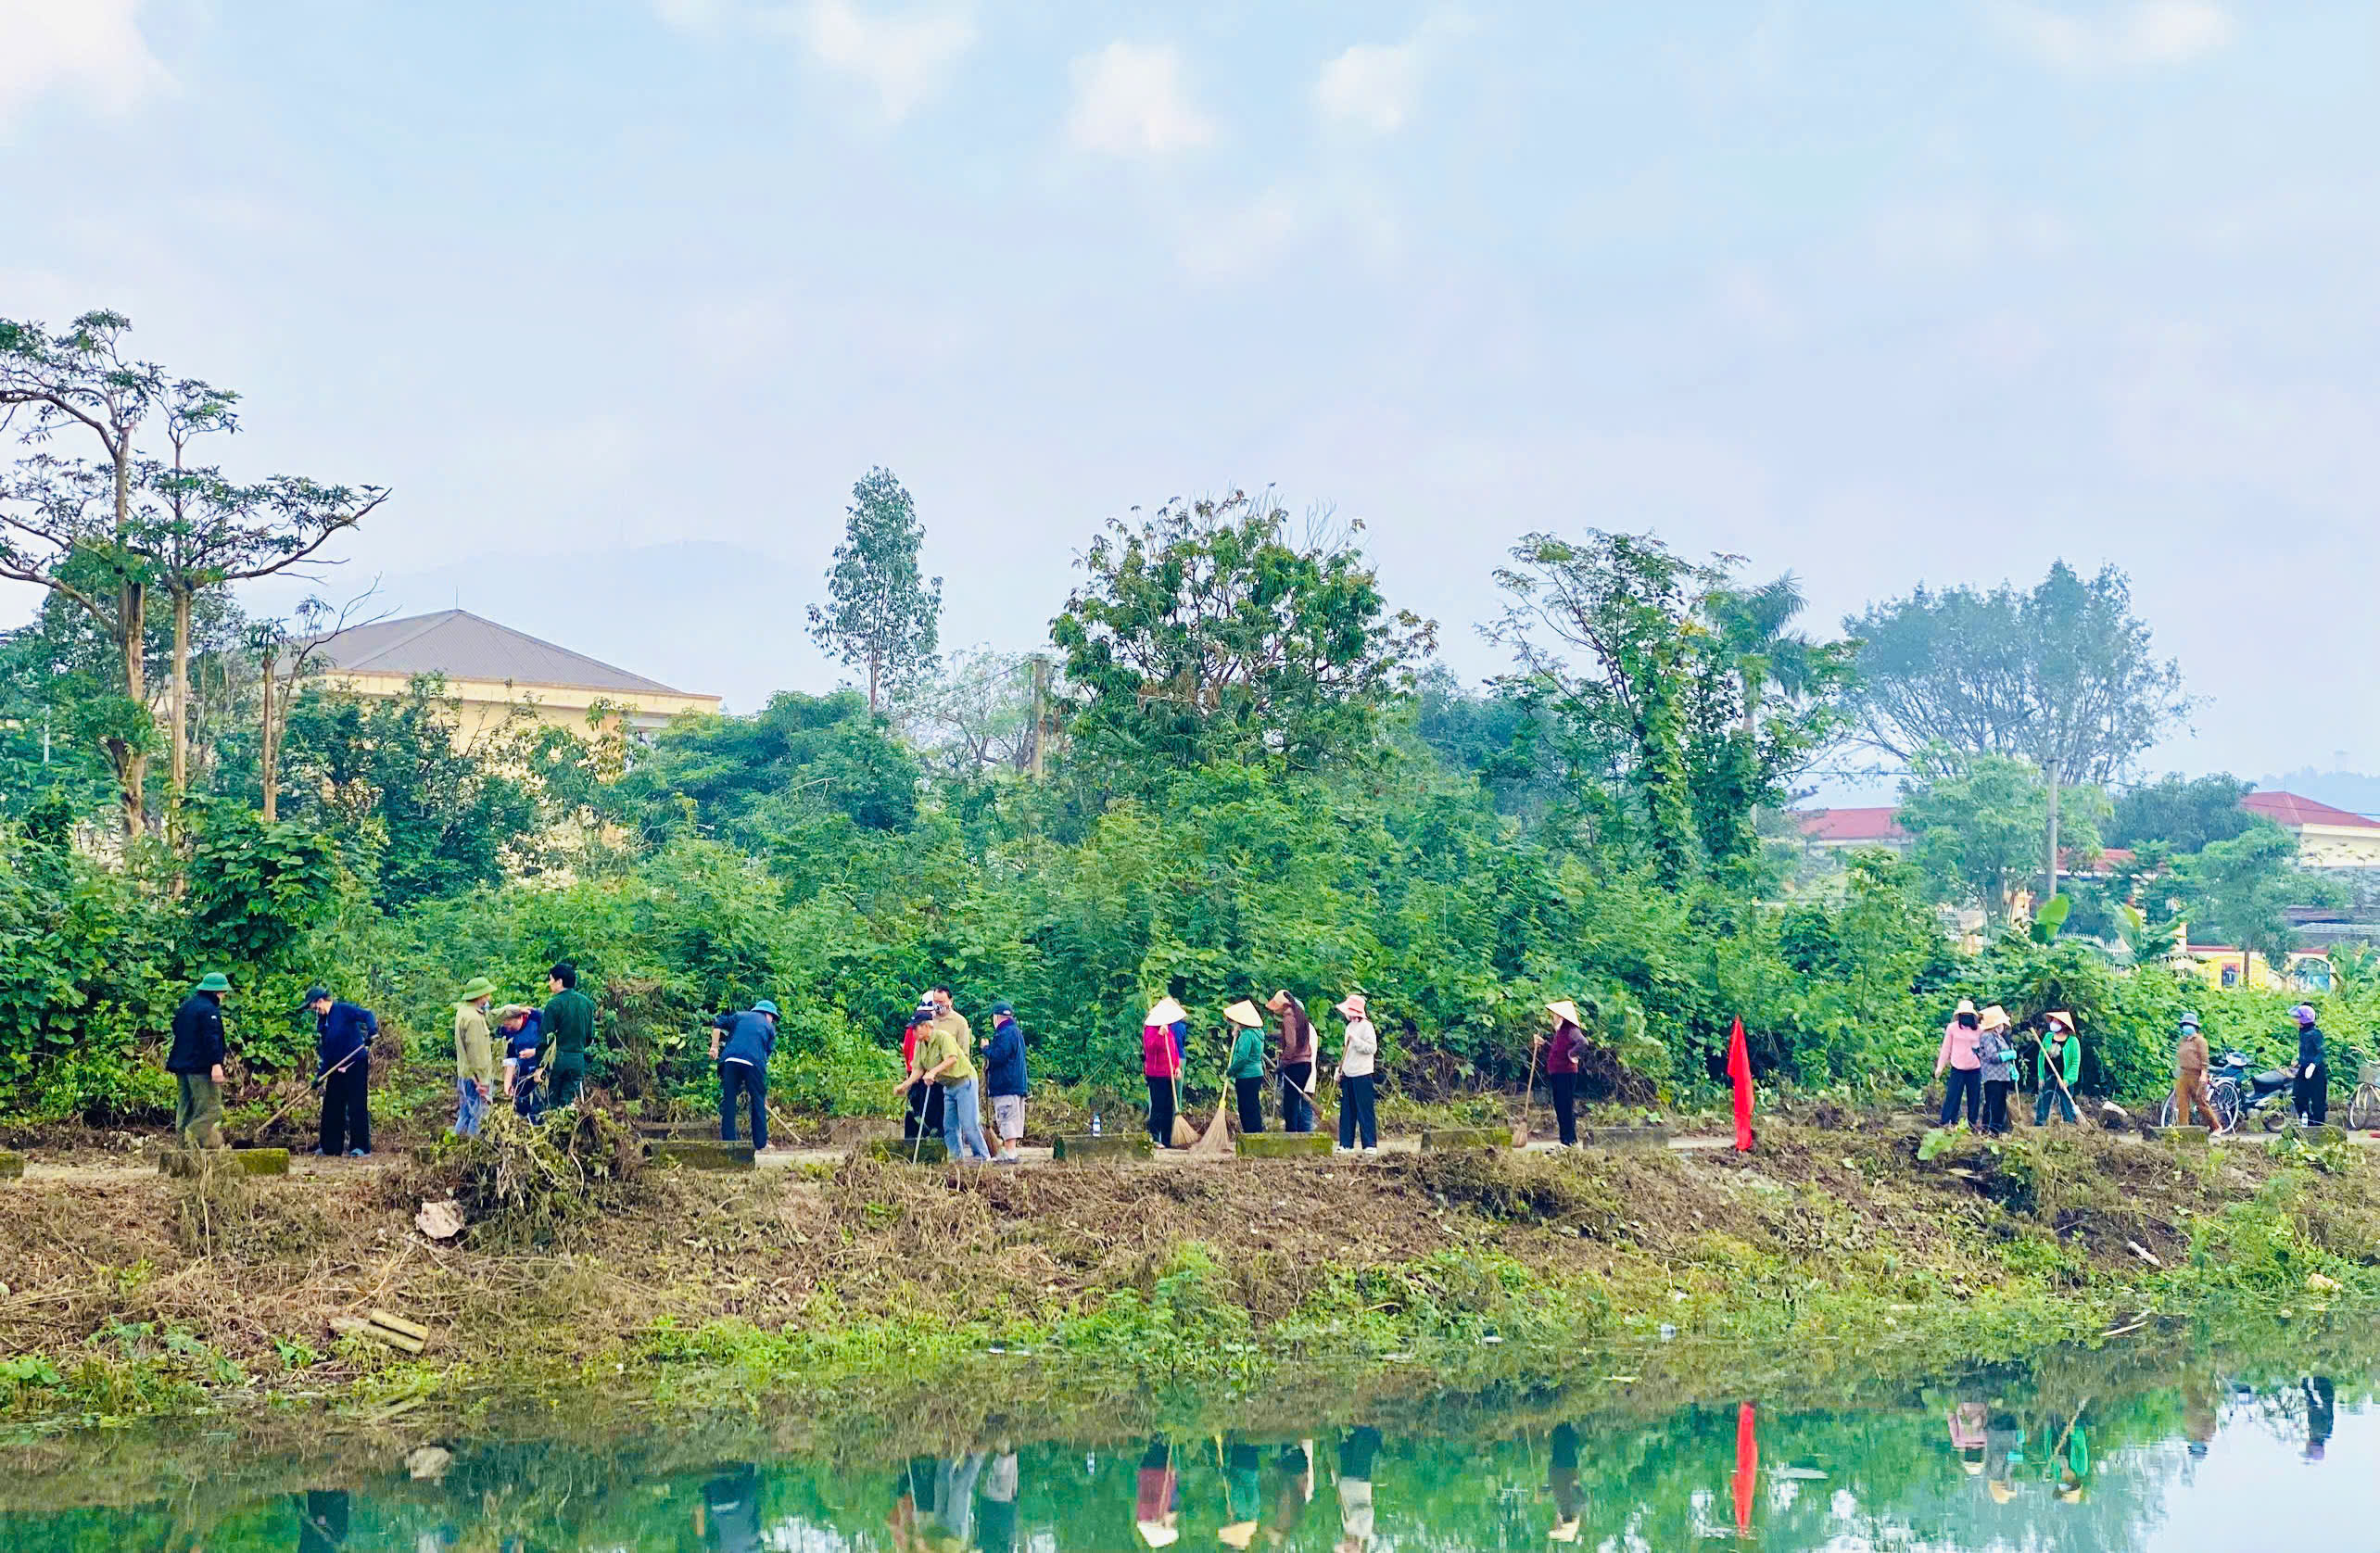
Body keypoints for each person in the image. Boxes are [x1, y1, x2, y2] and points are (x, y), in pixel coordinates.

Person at [901, 991, 991, 1164]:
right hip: (948, 1086)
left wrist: (933, 1072)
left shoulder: (944, 1037)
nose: (913, 1032)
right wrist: (905, 1085)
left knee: (969, 1124)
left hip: (964, 1081)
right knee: (949, 1126)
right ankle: (956, 1159)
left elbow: (952, 1058)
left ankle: (983, 1157)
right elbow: (918, 1069)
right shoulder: (921, 1044)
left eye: (916, 1027)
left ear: (927, 1026)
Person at [307, 985, 379, 1158]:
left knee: (356, 1104)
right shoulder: (323, 1023)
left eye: (315, 1006)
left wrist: (372, 1032)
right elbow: (327, 1052)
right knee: (332, 1105)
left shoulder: (343, 1010)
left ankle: (360, 1147)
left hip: (355, 1063)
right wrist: (319, 1077)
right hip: (335, 1067)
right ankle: (330, 1147)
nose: (315, 1010)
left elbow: (367, 1015)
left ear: (321, 1001)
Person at [166, 971, 233, 1150]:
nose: (224, 996)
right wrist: (216, 1064)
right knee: (212, 1110)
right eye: (223, 992)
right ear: (217, 992)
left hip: (182, 1066)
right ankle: (192, 1136)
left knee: (185, 1110)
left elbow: (176, 1028)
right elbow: (211, 1038)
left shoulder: (187, 1006)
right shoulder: (209, 1010)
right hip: (201, 1068)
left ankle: (183, 1152)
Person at [711, 1000, 779, 1150]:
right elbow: (764, 1058)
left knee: (729, 1101)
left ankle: (729, 1143)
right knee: (757, 1102)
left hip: (730, 1061)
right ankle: (761, 1144)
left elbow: (717, 1023)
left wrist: (714, 1047)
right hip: (753, 1063)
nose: (772, 1020)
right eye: (773, 1017)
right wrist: (760, 1093)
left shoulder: (739, 1016)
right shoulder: (769, 1028)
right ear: (768, 1014)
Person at [540, 962, 596, 1110]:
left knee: (551, 1103)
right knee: (568, 1105)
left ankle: (551, 1132)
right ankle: (568, 1132)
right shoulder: (587, 1003)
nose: (549, 983)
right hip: (577, 1059)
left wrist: (540, 1066)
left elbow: (546, 1038)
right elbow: (590, 1036)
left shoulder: (554, 1004)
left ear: (559, 981)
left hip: (556, 1059)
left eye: (551, 979)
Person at [981, 1000, 1028, 1163]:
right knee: (1014, 1118)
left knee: (1006, 1116)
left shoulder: (1004, 1033)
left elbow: (999, 1056)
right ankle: (1012, 1151)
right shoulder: (1015, 1032)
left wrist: (986, 1049)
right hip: (1016, 1083)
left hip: (1005, 1085)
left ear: (996, 1017)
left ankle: (1009, 1152)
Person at [1334, 993, 1380, 1155]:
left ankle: (1370, 1144)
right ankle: (1346, 1143)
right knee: (1347, 1110)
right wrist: (1339, 1071)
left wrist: (1357, 1042)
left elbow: (1372, 1048)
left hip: (1363, 1073)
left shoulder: (1367, 1026)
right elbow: (1346, 1053)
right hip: (1349, 1073)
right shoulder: (1349, 1027)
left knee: (1364, 1109)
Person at [452, 976, 499, 1139]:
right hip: (475, 1078)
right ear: (480, 996)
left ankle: (454, 1148)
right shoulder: (474, 1019)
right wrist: (482, 1082)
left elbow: (492, 1017)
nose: (489, 998)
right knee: (479, 1117)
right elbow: (477, 1054)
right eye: (487, 995)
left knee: (465, 1115)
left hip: (464, 1074)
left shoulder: (464, 1011)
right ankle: (472, 1151)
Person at [1269, 991, 1318, 1133]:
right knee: (1295, 1102)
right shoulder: (1301, 1017)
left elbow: (1291, 1044)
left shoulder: (1288, 1017)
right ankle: (1296, 1135)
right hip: (1305, 1064)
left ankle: (1291, 1137)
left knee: (1290, 1105)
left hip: (1295, 1064)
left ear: (1283, 1005)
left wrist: (1283, 1063)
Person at [1544, 1001, 1588, 1148]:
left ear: (1562, 1016)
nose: (1553, 1017)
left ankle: (1569, 1139)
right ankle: (1565, 1139)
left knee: (1565, 1105)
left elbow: (1583, 1042)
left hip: (1566, 1072)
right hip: (1558, 1072)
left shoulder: (1571, 1029)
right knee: (1560, 1105)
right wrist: (1543, 1043)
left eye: (1555, 1015)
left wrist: (1571, 1054)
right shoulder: (1561, 1030)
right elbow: (1558, 1050)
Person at [1143, 997, 1186, 1147]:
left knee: (1169, 1107)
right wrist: (1160, 1034)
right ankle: (1155, 1137)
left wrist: (1177, 1067)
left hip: (1169, 1074)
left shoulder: (1170, 1031)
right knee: (1158, 1106)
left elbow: (1173, 1051)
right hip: (1156, 1074)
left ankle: (1167, 1139)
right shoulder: (1150, 1030)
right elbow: (1149, 1048)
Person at [901, 999, 944, 1143]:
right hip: (920, 1076)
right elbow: (909, 1053)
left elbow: (907, 1052)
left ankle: (924, 1143)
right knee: (917, 1114)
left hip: (926, 1076)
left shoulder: (934, 1033)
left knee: (922, 1113)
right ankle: (917, 1143)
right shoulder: (918, 1027)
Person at [1935, 998, 1982, 1129]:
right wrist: (1940, 1066)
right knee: (1953, 1095)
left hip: (1974, 1068)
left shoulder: (1979, 1030)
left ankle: (1972, 1123)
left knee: (1974, 1097)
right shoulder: (1952, 1028)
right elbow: (1946, 1048)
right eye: (1963, 1015)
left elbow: (1984, 1049)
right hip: (1957, 1067)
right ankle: (1947, 1121)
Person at [1335, 1426, 1381, 1553]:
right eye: (1348, 1550)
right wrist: (1352, 1519)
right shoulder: (1364, 1531)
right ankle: (1370, 1424)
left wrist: (1338, 1487)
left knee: (1347, 1444)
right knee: (1363, 1440)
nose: (1345, 1544)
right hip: (1360, 1480)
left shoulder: (1347, 1528)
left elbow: (1345, 1505)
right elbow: (1368, 1511)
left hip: (1346, 1480)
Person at [2173, 1010, 2221, 1132]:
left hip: (2197, 1075)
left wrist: (2204, 1074)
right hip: (2184, 1075)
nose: (2186, 1027)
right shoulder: (2182, 1041)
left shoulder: (2200, 1041)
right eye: (2184, 1025)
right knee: (2182, 1103)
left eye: (2189, 1024)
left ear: (2195, 1027)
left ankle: (2216, 1127)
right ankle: (2183, 1131)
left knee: (2201, 1104)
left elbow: (2204, 1059)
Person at [1224, 1000, 1267, 1134]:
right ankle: (1256, 1133)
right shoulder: (1257, 1033)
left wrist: (1231, 1071)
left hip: (1246, 1075)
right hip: (1256, 1073)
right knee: (1253, 1106)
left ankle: (1251, 1134)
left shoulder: (1247, 1035)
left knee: (1246, 1107)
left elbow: (1242, 1058)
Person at [1975, 1005, 2018, 1136]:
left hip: (2002, 1076)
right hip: (1992, 1076)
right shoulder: (1987, 1036)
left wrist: (2012, 1068)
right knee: (1992, 1103)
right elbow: (1992, 1056)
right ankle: (1988, 1129)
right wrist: (2008, 1055)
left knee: (2000, 1104)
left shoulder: (1999, 1037)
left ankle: (1996, 1130)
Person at [2033, 1012, 2082, 1126]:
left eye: (2056, 1021)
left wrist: (2067, 1080)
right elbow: (2041, 1057)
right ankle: (2040, 1124)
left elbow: (2075, 1063)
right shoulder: (2048, 1037)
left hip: (2064, 1079)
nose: (2053, 1023)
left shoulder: (2073, 1041)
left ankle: (2068, 1125)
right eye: (2053, 1021)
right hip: (2049, 1075)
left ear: (2064, 1025)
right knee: (2044, 1100)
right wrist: (2041, 1076)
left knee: (2066, 1103)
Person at [498, 1004, 544, 1118]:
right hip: (523, 1070)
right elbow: (510, 1057)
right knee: (522, 1104)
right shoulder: (505, 1031)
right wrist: (507, 1084)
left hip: (542, 1069)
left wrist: (535, 1052)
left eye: (508, 1025)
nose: (507, 1028)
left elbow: (551, 1044)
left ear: (518, 1018)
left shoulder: (537, 1018)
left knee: (538, 1106)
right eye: (504, 1025)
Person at [1135, 1439, 1179, 1548]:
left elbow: (1171, 1502)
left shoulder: (1154, 1515)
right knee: (1157, 1441)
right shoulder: (1143, 1517)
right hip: (1147, 1471)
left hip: (1159, 1472)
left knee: (1160, 1439)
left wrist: (1173, 1477)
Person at [2289, 1003, 2328, 1125]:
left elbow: (2321, 1053)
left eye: (2298, 1017)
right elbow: (2305, 1051)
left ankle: (2319, 1127)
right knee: (2297, 1096)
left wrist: (2313, 1065)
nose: (2295, 1020)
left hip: (2316, 1071)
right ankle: (2307, 1120)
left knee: (2318, 1101)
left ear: (2304, 1019)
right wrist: (2298, 1061)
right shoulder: (2302, 1032)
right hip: (2304, 1069)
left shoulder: (2315, 1033)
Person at [1545, 1422, 1583, 1544]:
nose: (1556, 1523)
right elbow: (1581, 1497)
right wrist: (1575, 1485)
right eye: (1558, 1525)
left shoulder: (1564, 1508)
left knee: (1560, 1446)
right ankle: (1564, 1424)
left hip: (1560, 1470)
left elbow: (1555, 1488)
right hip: (1564, 1470)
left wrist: (1542, 1491)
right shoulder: (1573, 1508)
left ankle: (1561, 1424)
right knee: (1565, 1446)